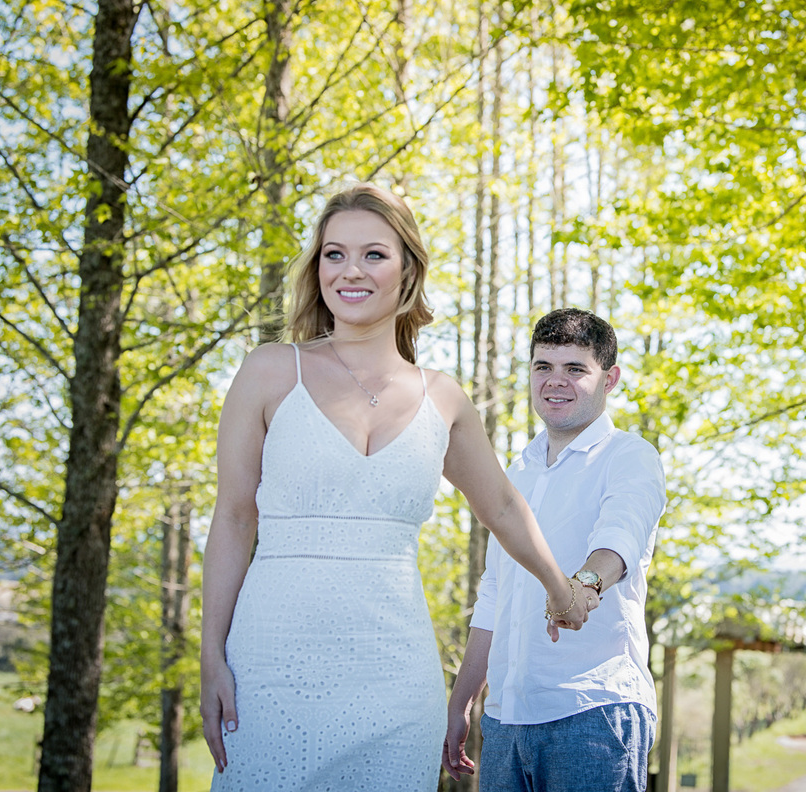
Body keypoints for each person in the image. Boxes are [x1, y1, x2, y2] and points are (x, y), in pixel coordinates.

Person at [199, 184, 592, 792]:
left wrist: (561, 589)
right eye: (334, 254)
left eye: (374, 254)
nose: (350, 270)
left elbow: (503, 506)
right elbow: (232, 518)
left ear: (408, 270)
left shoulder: (443, 397)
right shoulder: (269, 371)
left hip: (397, 679)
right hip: (270, 665)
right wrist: (211, 657)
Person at [443, 308, 667, 791]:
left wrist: (583, 586)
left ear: (610, 380)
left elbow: (619, 539)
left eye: (575, 369)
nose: (555, 381)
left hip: (594, 714)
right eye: (543, 366)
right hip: (504, 721)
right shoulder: (516, 473)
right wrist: (461, 704)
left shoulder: (630, 456)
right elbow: (495, 594)